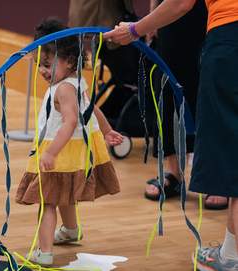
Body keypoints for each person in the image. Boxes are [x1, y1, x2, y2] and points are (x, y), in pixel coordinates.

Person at [104, 0, 238, 270]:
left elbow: (180, 2)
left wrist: (134, 29)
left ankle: (232, 255)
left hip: (229, 39)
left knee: (231, 151)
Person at [16, 18, 123, 266]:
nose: (42, 71)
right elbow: (91, 108)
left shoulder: (63, 89)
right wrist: (106, 131)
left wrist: (51, 153)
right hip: (73, 151)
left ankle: (44, 252)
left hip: (61, 149)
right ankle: (72, 230)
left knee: (47, 200)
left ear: (70, 61)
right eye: (38, 64)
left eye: (46, 64)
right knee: (63, 194)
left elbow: (71, 121)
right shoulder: (75, 82)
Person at [144, 0, 228, 210]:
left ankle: (217, 179)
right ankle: (173, 172)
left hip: (215, 14)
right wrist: (153, 16)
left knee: (211, 92)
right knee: (168, 86)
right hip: (173, 15)